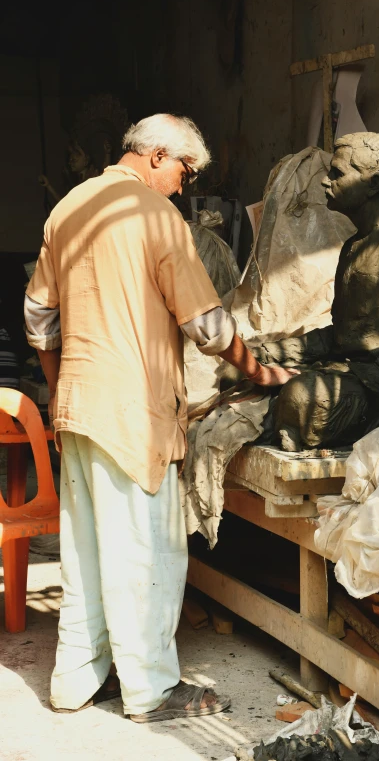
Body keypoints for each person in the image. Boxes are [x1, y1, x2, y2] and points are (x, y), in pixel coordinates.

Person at [24, 113, 296, 723]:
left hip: (78, 408)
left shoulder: (68, 208)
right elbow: (207, 325)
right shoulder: (155, 216)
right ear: (153, 156)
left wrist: (60, 381)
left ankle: (74, 681)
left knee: (87, 551)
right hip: (133, 415)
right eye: (183, 169)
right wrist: (260, 372)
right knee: (146, 553)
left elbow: (38, 318)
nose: (184, 183)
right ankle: (148, 692)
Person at [271, 132, 379, 451]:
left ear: (375, 182)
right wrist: (270, 351)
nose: (326, 181)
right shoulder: (354, 245)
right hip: (349, 372)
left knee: (301, 396)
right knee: (243, 375)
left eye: (338, 173)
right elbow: (343, 335)